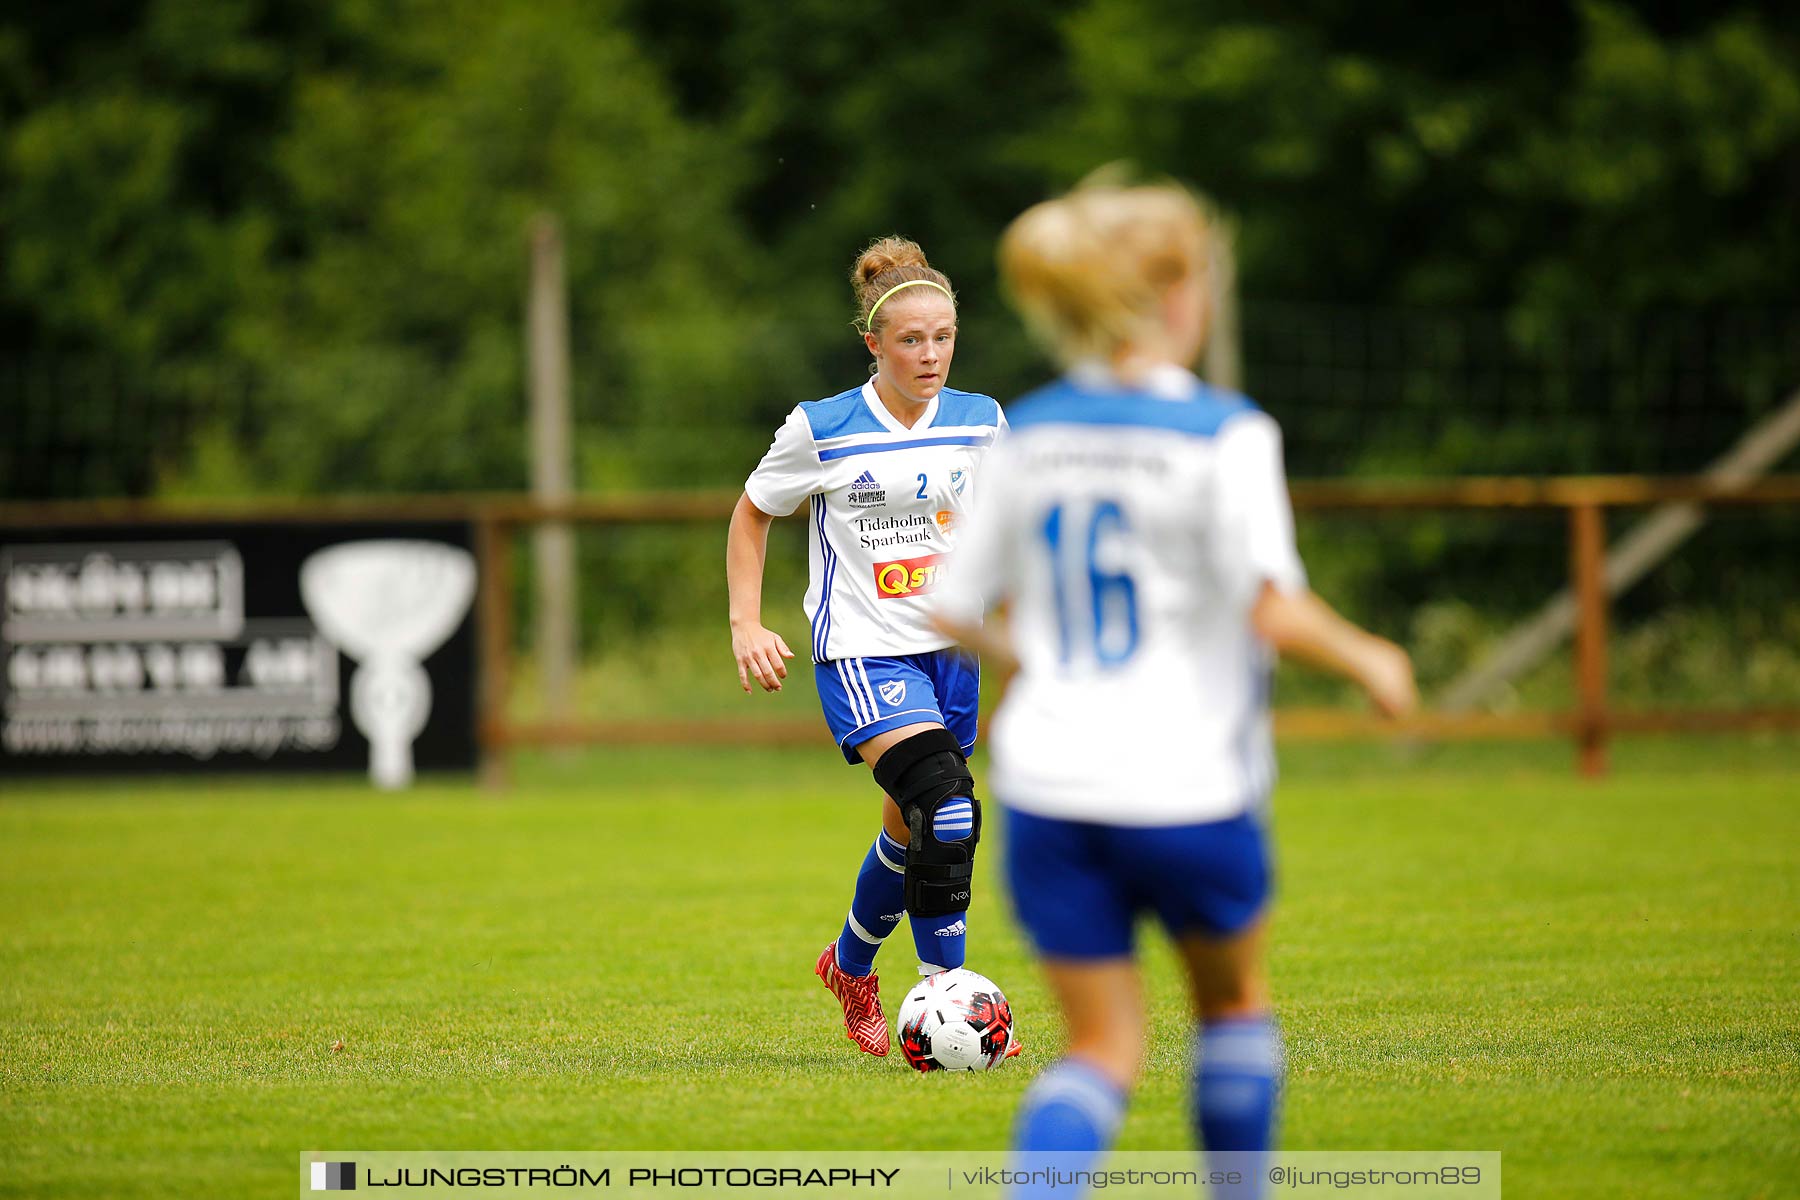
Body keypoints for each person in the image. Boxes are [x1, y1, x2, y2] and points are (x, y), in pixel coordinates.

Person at [932, 179, 1416, 1194]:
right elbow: (1271, 608)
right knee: (1233, 1012)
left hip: (1052, 788)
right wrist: (1372, 656)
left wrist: (1041, 658)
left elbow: (954, 605)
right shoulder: (1225, 432)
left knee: (1100, 1050)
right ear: (1179, 294)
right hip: (1190, 781)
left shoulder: (1029, 430)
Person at [726, 236, 1011, 1058]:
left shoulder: (983, 422)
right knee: (945, 804)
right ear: (874, 345)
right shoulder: (823, 428)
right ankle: (948, 1005)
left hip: (952, 655)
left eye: (944, 337)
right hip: (862, 651)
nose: (931, 355)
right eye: (912, 340)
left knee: (912, 828)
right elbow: (751, 513)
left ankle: (850, 966)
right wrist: (747, 623)